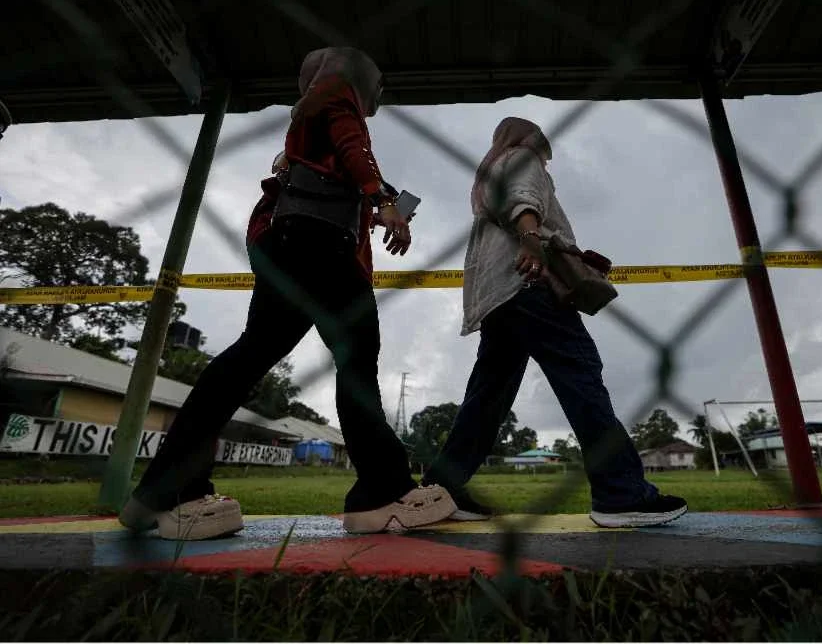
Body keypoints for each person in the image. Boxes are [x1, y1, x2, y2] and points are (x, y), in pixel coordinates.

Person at [119, 47, 456, 540]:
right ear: (357, 77)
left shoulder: (311, 124)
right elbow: (350, 143)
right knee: (356, 359)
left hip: (293, 243)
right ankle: (382, 493)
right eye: (377, 83)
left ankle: (159, 492)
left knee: (253, 355)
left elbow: (345, 158)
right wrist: (383, 200)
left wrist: (383, 196)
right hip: (317, 243)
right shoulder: (335, 98)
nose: (380, 93)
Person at [422, 117, 688, 528]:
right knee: (580, 372)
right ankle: (621, 494)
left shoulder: (488, 172)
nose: (545, 155)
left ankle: (442, 488)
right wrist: (533, 240)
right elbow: (522, 199)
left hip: (498, 298)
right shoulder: (521, 158)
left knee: (488, 396)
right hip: (531, 283)